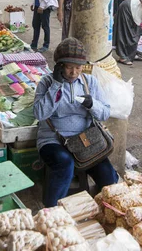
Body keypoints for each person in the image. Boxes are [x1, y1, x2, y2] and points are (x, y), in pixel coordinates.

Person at [34, 38, 118, 207]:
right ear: (59, 66)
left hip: (85, 140)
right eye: (69, 67)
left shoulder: (90, 82)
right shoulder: (47, 82)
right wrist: (57, 85)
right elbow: (40, 113)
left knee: (108, 176)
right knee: (64, 163)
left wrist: (92, 104)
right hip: (54, 140)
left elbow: (105, 113)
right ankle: (51, 212)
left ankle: (106, 210)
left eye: (78, 67)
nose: (74, 72)